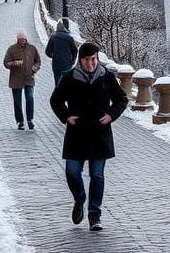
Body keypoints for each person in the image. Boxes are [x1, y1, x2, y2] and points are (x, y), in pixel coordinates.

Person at [51, 42, 128, 232]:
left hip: (99, 134)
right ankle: (79, 198)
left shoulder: (106, 76)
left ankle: (95, 214)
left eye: (94, 59)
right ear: (80, 60)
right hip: (77, 134)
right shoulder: (69, 77)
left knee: (97, 175)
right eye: (87, 60)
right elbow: (55, 100)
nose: (92, 64)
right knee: (72, 172)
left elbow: (121, 99)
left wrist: (111, 114)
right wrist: (66, 116)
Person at [3, 30, 42, 129]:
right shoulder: (12, 49)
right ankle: (20, 121)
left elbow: (38, 61)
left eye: (24, 39)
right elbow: (6, 63)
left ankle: (30, 119)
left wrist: (35, 68)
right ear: (18, 39)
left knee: (30, 98)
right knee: (17, 102)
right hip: (16, 79)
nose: (23, 41)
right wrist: (14, 63)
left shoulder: (32, 48)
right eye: (21, 40)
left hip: (29, 77)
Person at [46, 18, 78, 87]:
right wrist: (72, 60)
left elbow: (47, 52)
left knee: (57, 82)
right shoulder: (69, 38)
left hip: (56, 64)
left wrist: (53, 56)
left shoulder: (53, 37)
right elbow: (75, 51)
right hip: (67, 64)